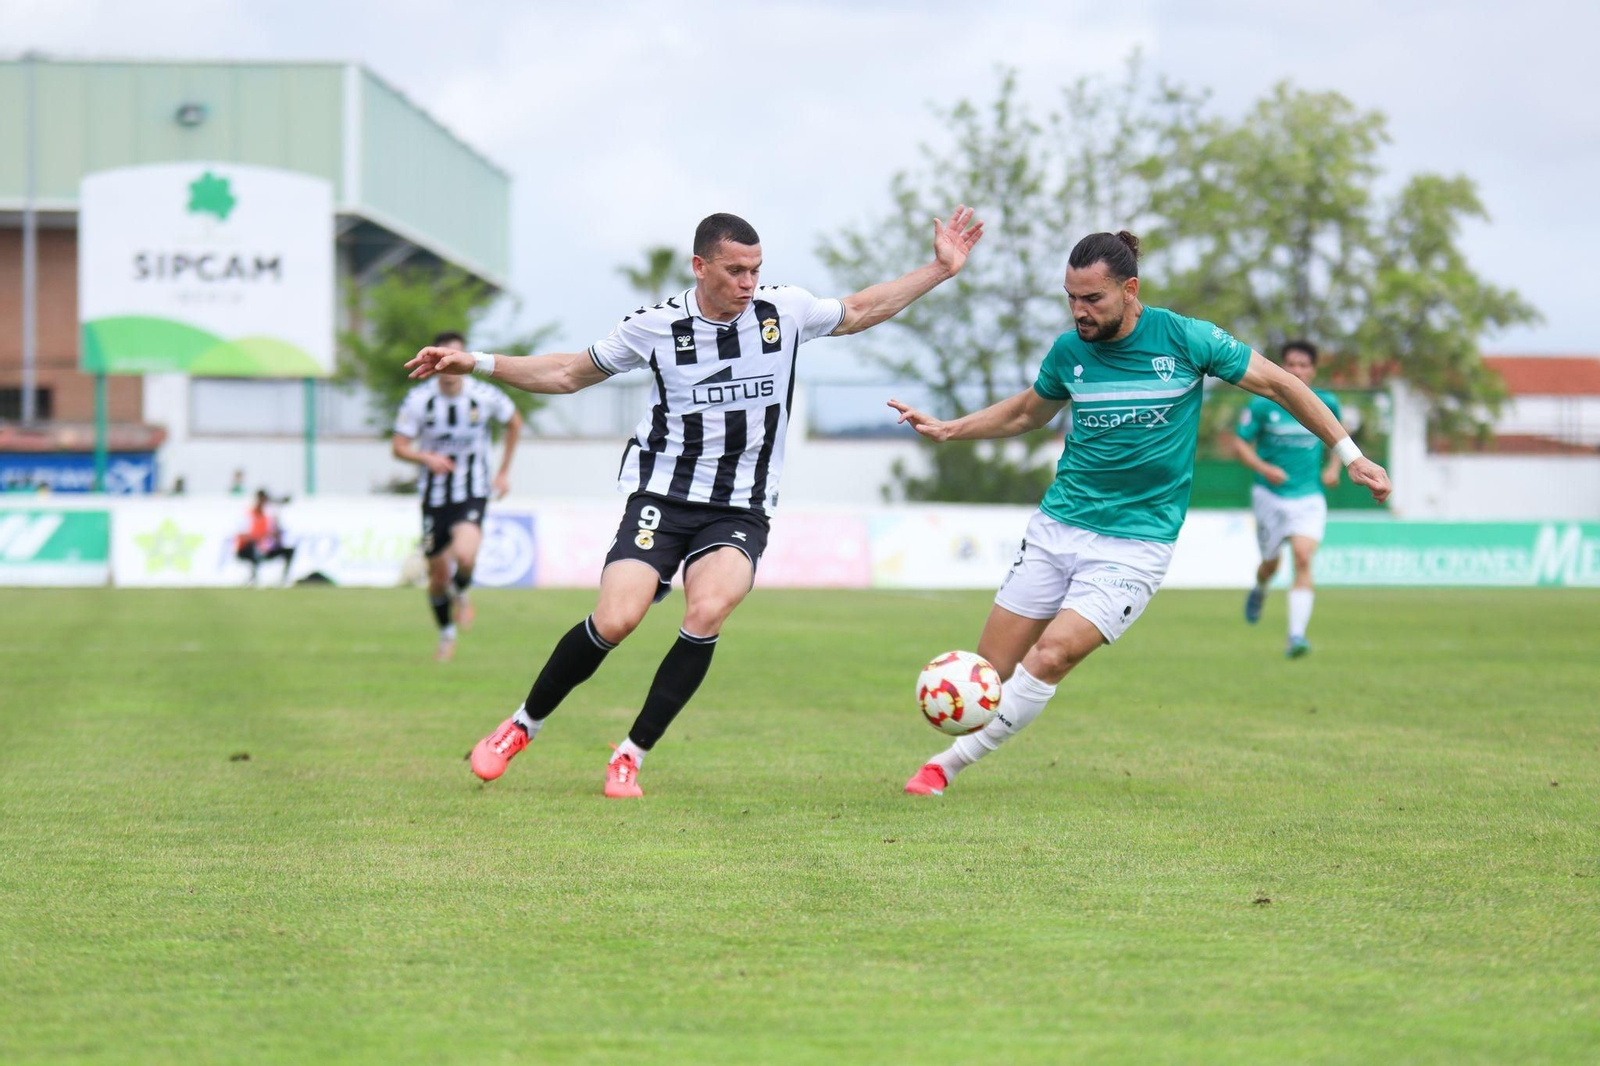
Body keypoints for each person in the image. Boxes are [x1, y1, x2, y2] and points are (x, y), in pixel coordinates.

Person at [406, 208, 984, 797]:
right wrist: (476, 362)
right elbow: (566, 373)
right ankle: (522, 724)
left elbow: (861, 309)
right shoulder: (655, 328)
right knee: (616, 619)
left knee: (706, 610)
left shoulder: (783, 312)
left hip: (740, 506)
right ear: (700, 266)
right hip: (662, 496)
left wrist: (939, 269)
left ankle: (630, 754)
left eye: (756, 270)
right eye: (735, 271)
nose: (748, 283)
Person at [890, 231, 1390, 797]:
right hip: (1058, 528)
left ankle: (945, 766)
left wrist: (1349, 454)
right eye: (1070, 298)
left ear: (1130, 290)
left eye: (1092, 299)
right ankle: (960, 744)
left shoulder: (1185, 339)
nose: (1079, 311)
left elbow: (1280, 384)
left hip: (1136, 544)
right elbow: (1029, 412)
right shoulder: (1069, 353)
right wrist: (952, 427)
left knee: (1051, 654)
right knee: (987, 673)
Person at [393, 330, 524, 662]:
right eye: (443, 357)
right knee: (437, 577)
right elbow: (399, 447)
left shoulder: (484, 395)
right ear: (435, 361)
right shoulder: (419, 400)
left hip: (472, 490)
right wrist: (426, 458)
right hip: (434, 496)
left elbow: (514, 422)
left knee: (466, 556)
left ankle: (462, 592)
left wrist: (504, 471)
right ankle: (446, 634)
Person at [1233, 340, 1344, 657]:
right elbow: (1240, 444)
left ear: (1313, 369)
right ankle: (1261, 587)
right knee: (1271, 563)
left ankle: (1296, 636)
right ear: (1281, 368)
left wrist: (1335, 467)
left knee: (1303, 558)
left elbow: (1340, 439)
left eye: (1303, 365)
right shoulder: (1262, 405)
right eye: (1290, 364)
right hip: (1269, 494)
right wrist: (1264, 467)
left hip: (1308, 496)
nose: (1296, 370)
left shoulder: (1327, 402)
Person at [235, 489, 296, 586]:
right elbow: (244, 536)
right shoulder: (248, 514)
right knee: (253, 548)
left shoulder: (268, 516)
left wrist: (275, 534)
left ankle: (283, 579)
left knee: (289, 550)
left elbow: (273, 535)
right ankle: (255, 580)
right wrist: (259, 540)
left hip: (265, 548)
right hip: (248, 549)